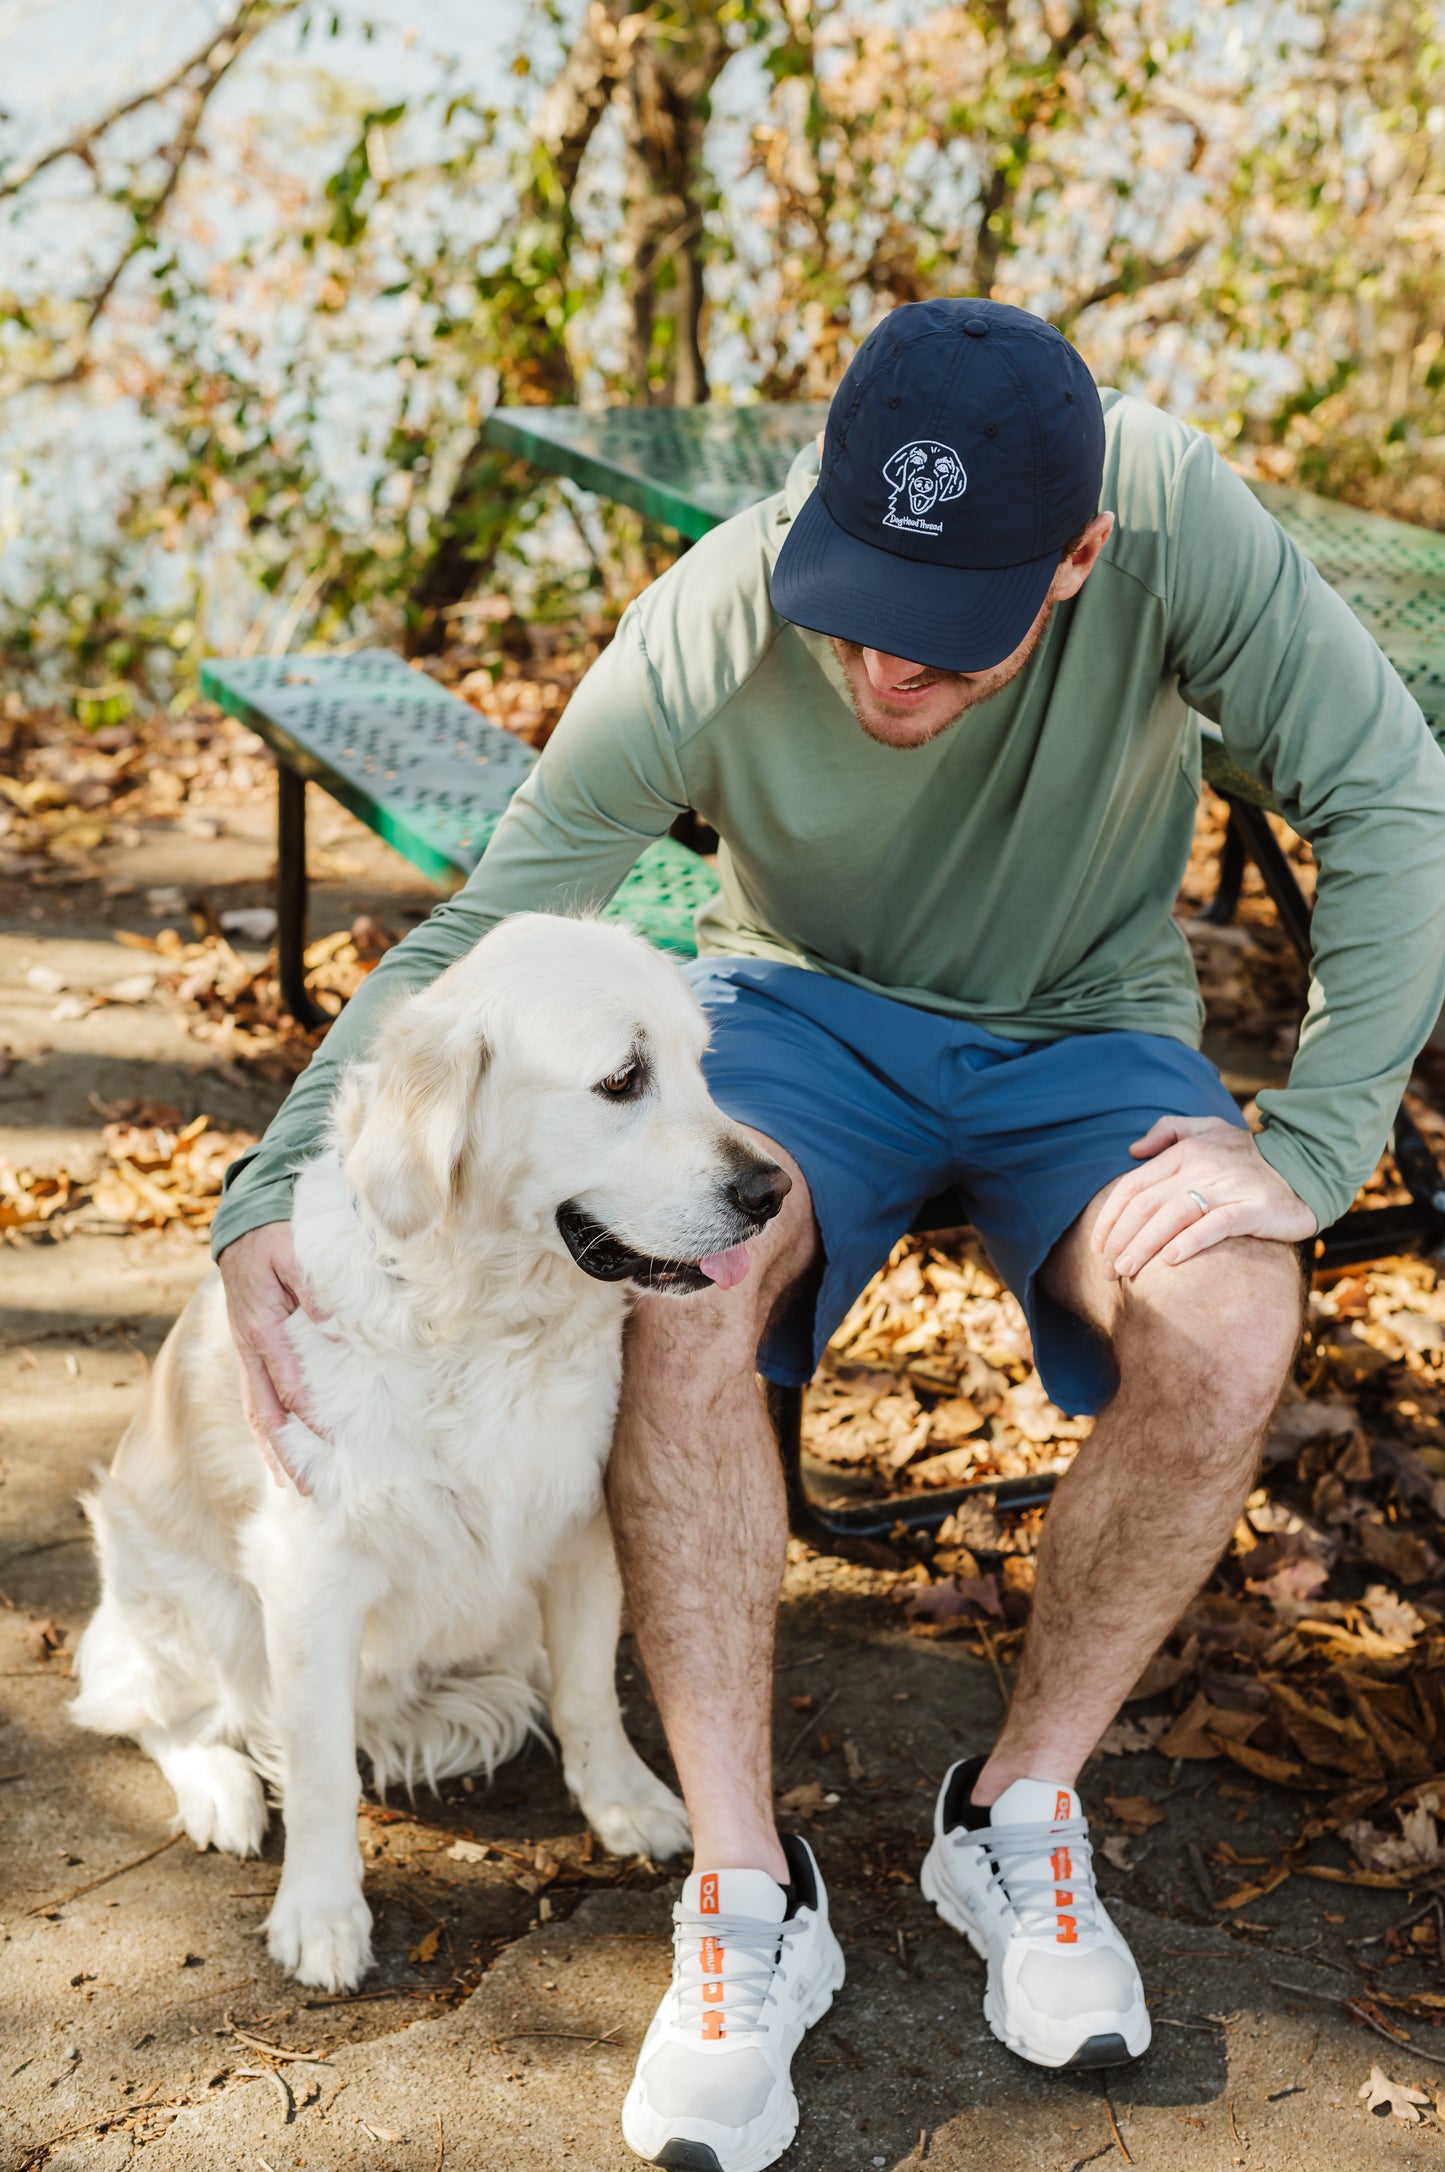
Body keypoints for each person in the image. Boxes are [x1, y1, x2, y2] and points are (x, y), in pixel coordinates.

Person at [212, 298, 1445, 2171]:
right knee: (678, 1295)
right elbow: (496, 914)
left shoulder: (1175, 515)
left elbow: (1386, 793)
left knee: (1230, 1317)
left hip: (1087, 1029)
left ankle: (1013, 1816)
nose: (883, 664)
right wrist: (267, 1190)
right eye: (856, 604)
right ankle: (740, 1888)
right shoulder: (724, 601)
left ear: (1079, 555)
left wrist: (1322, 1136)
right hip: (797, 1015)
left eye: (948, 636)